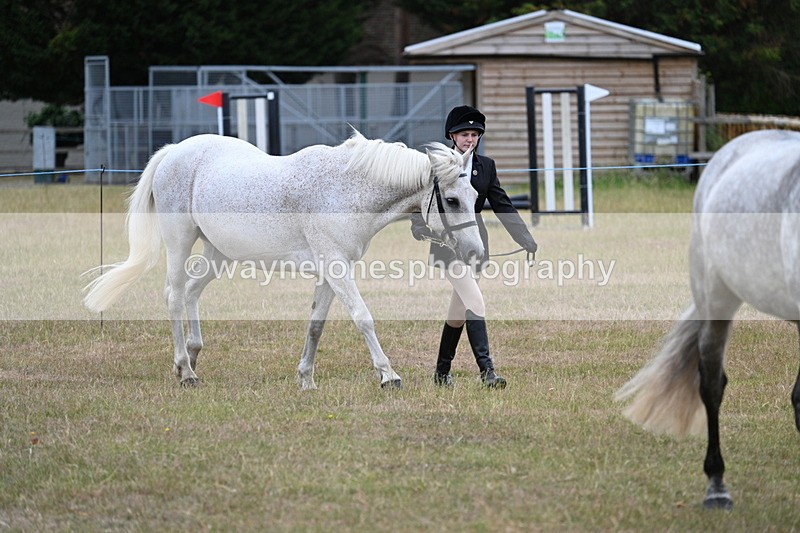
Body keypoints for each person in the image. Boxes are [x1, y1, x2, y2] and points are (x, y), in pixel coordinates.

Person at [410, 105, 538, 388]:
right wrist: (418, 225)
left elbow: (502, 205)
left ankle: (441, 373)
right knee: (475, 301)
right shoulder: (437, 166)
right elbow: (421, 201)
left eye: (474, 134)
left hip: (476, 244)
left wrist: (525, 239)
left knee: (457, 314)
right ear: (451, 136)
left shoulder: (486, 167)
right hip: (447, 244)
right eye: (464, 134)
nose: (470, 139)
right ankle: (487, 371)